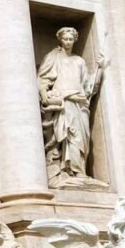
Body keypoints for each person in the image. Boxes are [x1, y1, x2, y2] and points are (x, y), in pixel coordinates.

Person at [38, 26, 102, 181]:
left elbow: (88, 86)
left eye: (70, 39)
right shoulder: (53, 57)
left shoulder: (79, 61)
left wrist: (100, 69)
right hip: (64, 101)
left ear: (74, 40)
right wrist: (45, 94)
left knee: (81, 137)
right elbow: (43, 79)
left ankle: (80, 169)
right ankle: (68, 169)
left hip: (80, 102)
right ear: (60, 39)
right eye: (65, 39)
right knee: (68, 135)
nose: (67, 42)